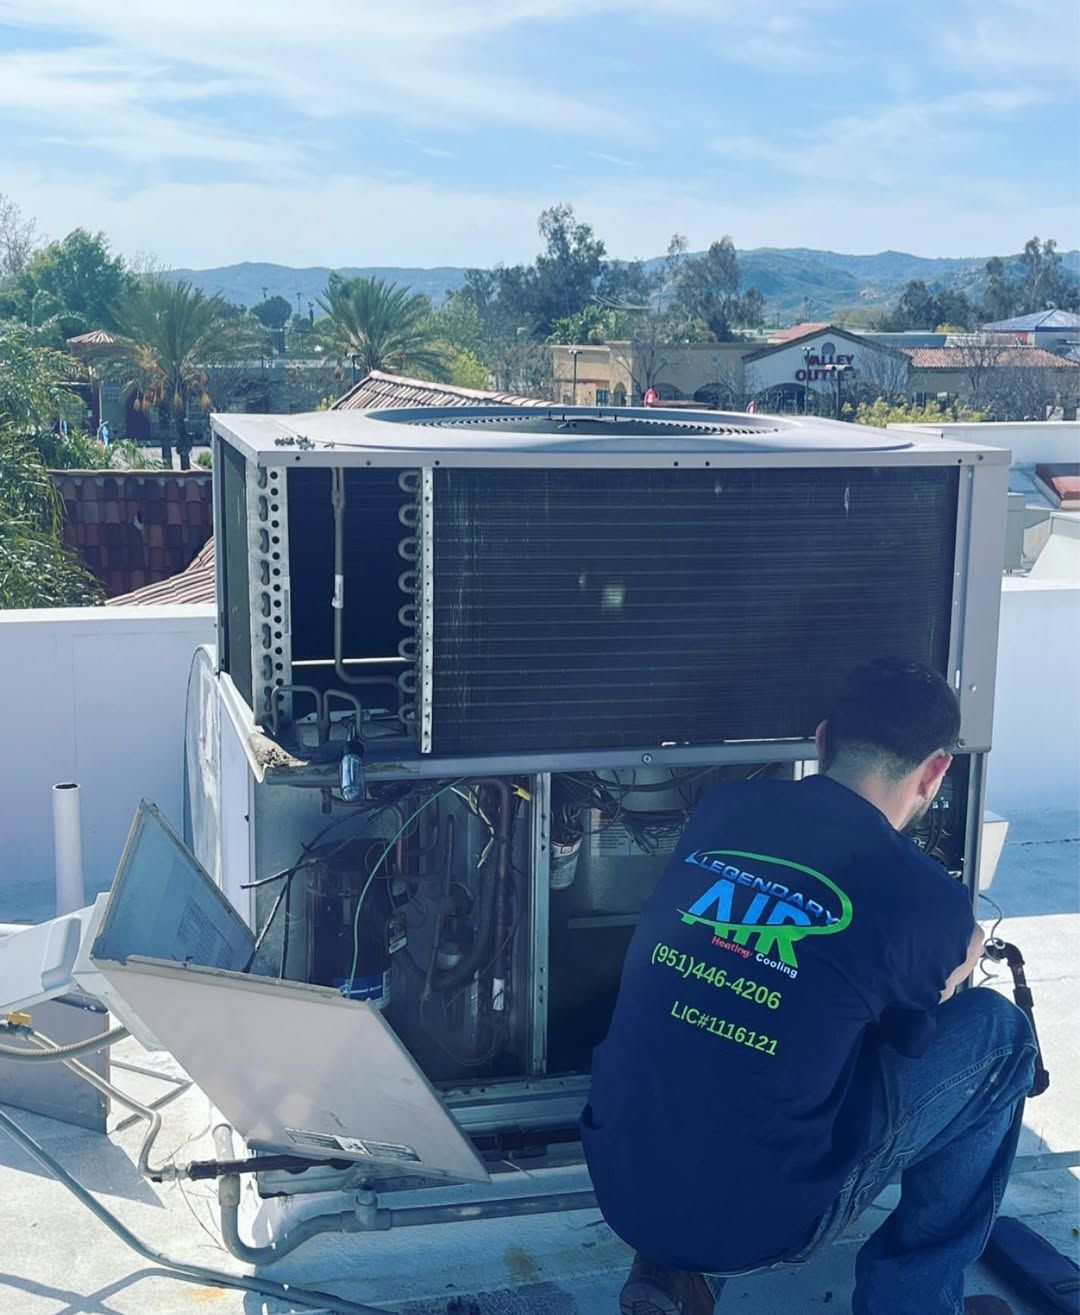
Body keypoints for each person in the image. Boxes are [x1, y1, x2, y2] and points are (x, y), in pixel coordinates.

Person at [582, 658, 1036, 1315]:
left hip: (621, 1187)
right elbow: (914, 1038)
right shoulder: (927, 900)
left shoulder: (725, 809)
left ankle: (674, 1271)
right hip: (760, 1227)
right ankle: (912, 1302)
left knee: (737, 1022)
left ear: (822, 740)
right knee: (1002, 1037)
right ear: (936, 772)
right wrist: (954, 955)